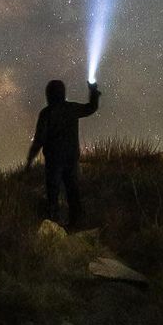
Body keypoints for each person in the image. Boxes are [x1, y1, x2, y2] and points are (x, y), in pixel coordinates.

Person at [23, 79, 101, 228]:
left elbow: (39, 139)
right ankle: (76, 223)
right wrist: (93, 92)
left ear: (49, 94)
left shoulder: (46, 113)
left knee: (53, 191)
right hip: (71, 158)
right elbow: (91, 108)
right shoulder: (71, 108)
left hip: (54, 160)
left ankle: (53, 222)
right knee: (73, 190)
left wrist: (29, 160)